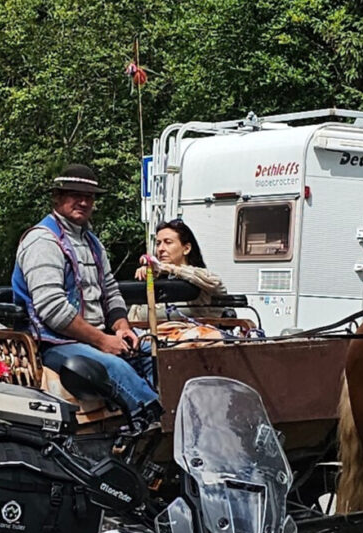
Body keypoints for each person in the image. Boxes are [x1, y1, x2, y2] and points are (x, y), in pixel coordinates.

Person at [14, 164, 159, 418]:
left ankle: (174, 417)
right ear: (58, 197)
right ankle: (154, 423)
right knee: (114, 367)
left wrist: (122, 327)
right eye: (75, 194)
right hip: (54, 342)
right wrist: (103, 341)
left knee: (158, 353)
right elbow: (53, 310)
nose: (83, 201)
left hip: (94, 336)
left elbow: (110, 291)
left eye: (89, 196)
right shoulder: (43, 241)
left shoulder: (92, 242)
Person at [136, 220, 235, 324]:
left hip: (196, 337)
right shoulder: (156, 278)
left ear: (186, 248)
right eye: (158, 243)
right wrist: (147, 278)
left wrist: (173, 269)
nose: (161, 249)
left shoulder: (201, 281)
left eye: (168, 242)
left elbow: (214, 282)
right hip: (152, 338)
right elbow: (136, 316)